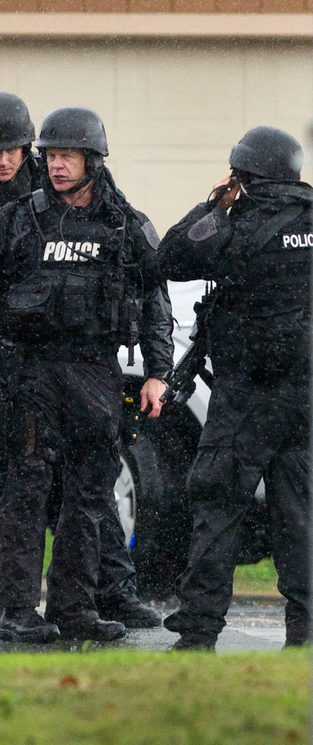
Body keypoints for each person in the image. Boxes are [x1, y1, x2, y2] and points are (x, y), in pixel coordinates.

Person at [0, 94, 162, 634]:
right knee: (19, 480)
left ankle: (92, 599)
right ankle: (12, 604)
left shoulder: (102, 207)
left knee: (90, 485)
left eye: (18, 150)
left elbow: (150, 282)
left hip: (88, 366)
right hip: (11, 358)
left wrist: (158, 367)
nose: (8, 161)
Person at [158, 126, 312, 651]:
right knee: (300, 516)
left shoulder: (237, 224)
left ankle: (199, 628)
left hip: (246, 396)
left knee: (218, 505)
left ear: (242, 176)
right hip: (306, 398)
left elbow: (169, 257)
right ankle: (307, 630)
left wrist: (215, 203)